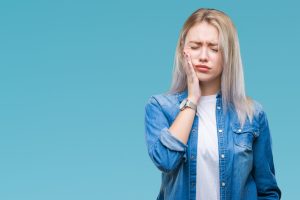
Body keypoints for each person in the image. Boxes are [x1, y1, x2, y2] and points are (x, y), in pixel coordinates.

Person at [144, 8, 281, 200]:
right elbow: (166, 161)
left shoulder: (252, 115)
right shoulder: (160, 107)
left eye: (214, 48)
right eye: (195, 46)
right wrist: (192, 99)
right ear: (183, 50)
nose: (203, 56)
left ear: (228, 55)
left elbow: (267, 191)